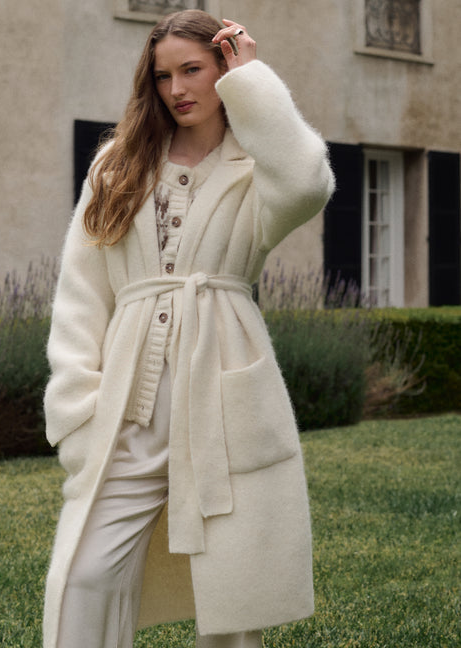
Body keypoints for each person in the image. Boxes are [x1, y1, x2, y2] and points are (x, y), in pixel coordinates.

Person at [43, 9, 335, 648]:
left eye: (192, 70)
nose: (176, 89)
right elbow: (81, 296)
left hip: (225, 400)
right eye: (162, 75)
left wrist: (252, 81)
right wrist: (78, 408)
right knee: (85, 575)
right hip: (128, 409)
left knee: (231, 598)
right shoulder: (117, 165)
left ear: (222, 70)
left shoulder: (257, 164)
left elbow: (308, 183)